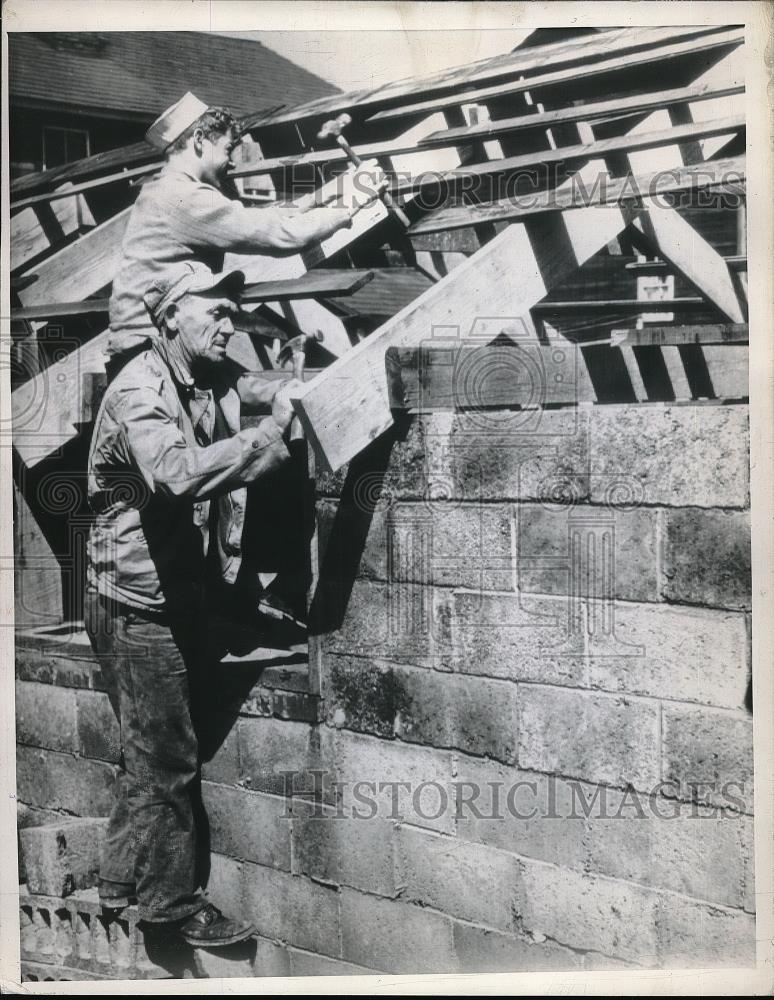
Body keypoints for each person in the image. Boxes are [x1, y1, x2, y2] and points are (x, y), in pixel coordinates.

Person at [84, 261, 302, 946]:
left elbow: (248, 388)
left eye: (234, 313)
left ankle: (118, 880)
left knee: (147, 748)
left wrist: (291, 387)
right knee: (171, 757)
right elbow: (176, 477)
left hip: (165, 593)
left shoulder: (202, 377)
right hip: (133, 602)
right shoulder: (139, 392)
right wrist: (270, 435)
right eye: (216, 312)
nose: (229, 323)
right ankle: (170, 906)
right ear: (172, 317)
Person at [108, 91, 384, 369]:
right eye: (228, 149)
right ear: (200, 140)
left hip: (150, 346)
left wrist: (334, 191)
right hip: (148, 355)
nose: (232, 162)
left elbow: (256, 218)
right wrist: (353, 201)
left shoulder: (164, 189)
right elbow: (281, 234)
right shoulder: (183, 197)